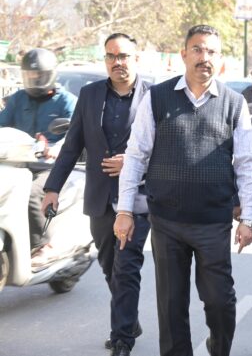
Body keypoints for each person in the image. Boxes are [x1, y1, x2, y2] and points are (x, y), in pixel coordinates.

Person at [114, 25, 252, 356]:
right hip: (167, 222)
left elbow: (247, 164)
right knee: (171, 305)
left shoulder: (234, 103)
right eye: (197, 49)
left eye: (211, 52)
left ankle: (218, 346)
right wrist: (124, 211)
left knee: (220, 301)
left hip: (213, 223)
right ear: (184, 54)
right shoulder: (157, 97)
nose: (204, 57)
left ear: (220, 60)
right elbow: (136, 156)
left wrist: (248, 218)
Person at [41, 33, 151, 356]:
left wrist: (133, 162)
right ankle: (129, 320)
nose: (118, 62)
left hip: (137, 199)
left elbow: (164, 148)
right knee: (109, 264)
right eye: (111, 56)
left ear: (135, 58)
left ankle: (122, 339)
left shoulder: (153, 97)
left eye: (124, 56)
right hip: (100, 198)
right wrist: (52, 188)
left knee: (126, 266)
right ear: (105, 60)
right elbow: (72, 145)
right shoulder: (89, 96)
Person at [0, 48, 76, 266]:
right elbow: (2, 123)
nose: (34, 80)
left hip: (49, 165)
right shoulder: (18, 99)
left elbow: (75, 133)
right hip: (16, 162)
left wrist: (57, 147)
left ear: (51, 74)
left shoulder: (66, 101)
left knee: (32, 193)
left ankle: (43, 245)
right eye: (30, 75)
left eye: (39, 75)